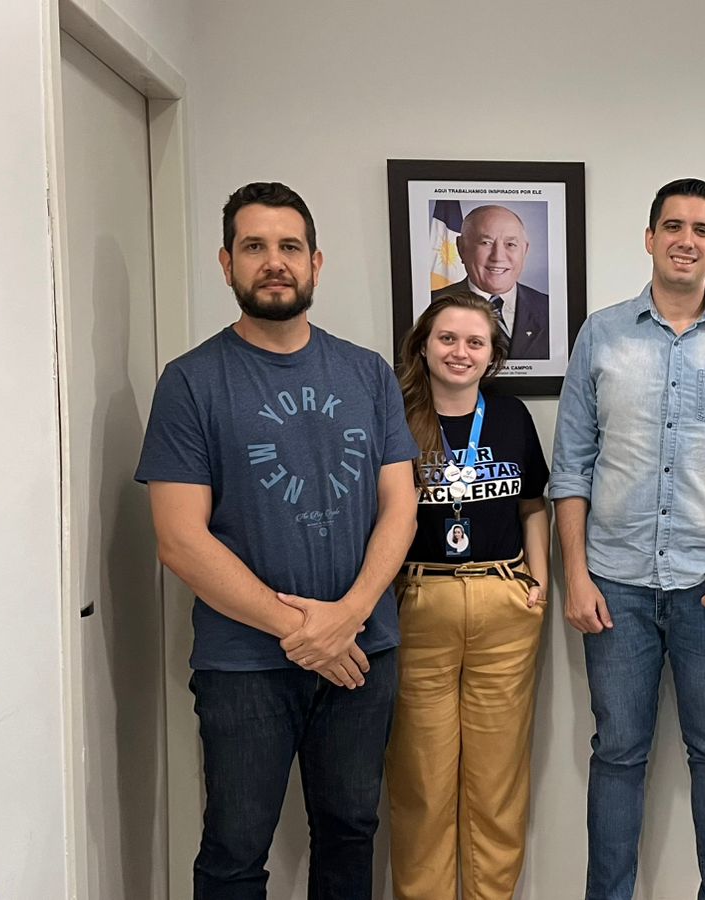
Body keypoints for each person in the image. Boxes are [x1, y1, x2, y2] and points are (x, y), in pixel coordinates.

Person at [136, 182, 418, 898]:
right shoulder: (191, 383)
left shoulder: (367, 373)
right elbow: (179, 540)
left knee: (351, 833)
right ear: (226, 262)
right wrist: (302, 631)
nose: (274, 262)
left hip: (362, 652)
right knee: (235, 849)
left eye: (289, 246)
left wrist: (347, 616)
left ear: (316, 263)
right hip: (245, 664)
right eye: (255, 247)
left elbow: (400, 507)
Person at [551, 178, 705, 900]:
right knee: (618, 753)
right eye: (672, 226)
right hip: (615, 586)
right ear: (651, 237)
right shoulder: (602, 333)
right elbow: (572, 465)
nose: (686, 239)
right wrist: (578, 575)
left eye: (700, 228)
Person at [386, 291, 552, 900]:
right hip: (420, 600)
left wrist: (537, 581)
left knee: (496, 780)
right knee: (421, 780)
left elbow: (535, 504)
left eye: (474, 342)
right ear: (424, 347)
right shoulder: (396, 417)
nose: (460, 352)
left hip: (503, 600)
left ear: (492, 355)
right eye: (448, 339)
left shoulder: (510, 418)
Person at [431, 205, 549, 360]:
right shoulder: (431, 306)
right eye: (486, 243)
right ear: (461, 248)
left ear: (525, 250)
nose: (498, 257)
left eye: (510, 245)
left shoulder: (550, 308)